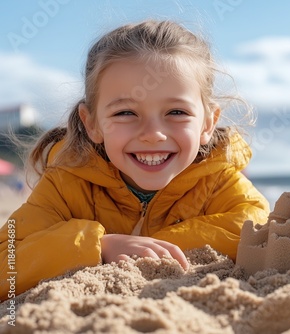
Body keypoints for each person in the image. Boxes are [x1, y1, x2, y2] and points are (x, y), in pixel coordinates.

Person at [0, 20, 270, 300]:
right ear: (92, 123)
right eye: (125, 113)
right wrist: (98, 246)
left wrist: (154, 246)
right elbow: (5, 262)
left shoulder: (217, 180)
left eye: (176, 112)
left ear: (208, 123)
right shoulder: (67, 183)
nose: (153, 134)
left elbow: (257, 226)